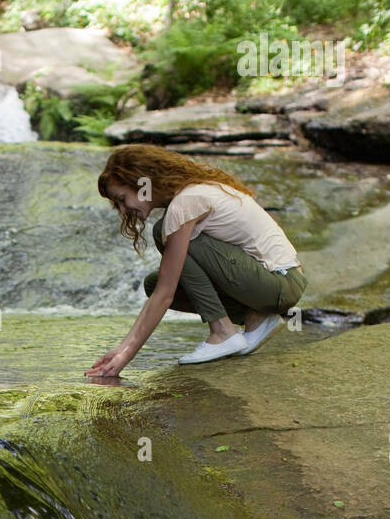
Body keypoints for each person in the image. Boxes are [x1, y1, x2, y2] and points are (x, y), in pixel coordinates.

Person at [86, 144, 307, 376]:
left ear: (142, 183)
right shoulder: (188, 197)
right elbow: (161, 288)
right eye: (116, 205)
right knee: (152, 282)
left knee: (168, 241)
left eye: (122, 199)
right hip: (270, 284)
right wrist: (120, 348)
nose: (122, 210)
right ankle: (256, 318)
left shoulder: (186, 202)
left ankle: (223, 332)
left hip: (280, 282)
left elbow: (166, 292)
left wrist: (125, 354)